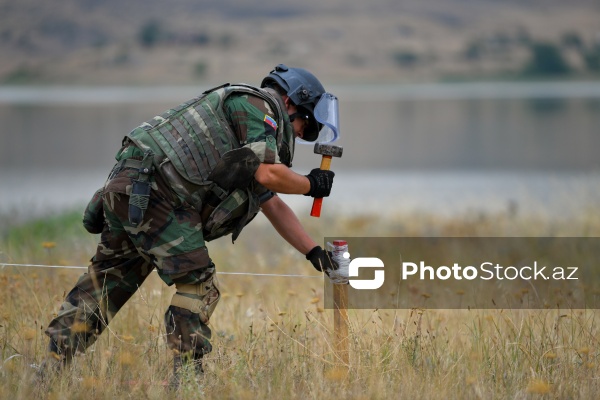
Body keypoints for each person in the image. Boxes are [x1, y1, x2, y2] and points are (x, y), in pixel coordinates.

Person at [40, 64, 340, 384]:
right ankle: (187, 380)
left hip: (130, 190)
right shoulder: (258, 107)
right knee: (199, 283)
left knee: (108, 282)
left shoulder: (247, 129)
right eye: (302, 126)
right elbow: (269, 174)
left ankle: (49, 371)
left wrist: (312, 251)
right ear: (291, 103)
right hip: (159, 196)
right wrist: (312, 184)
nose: (297, 134)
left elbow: (270, 201)